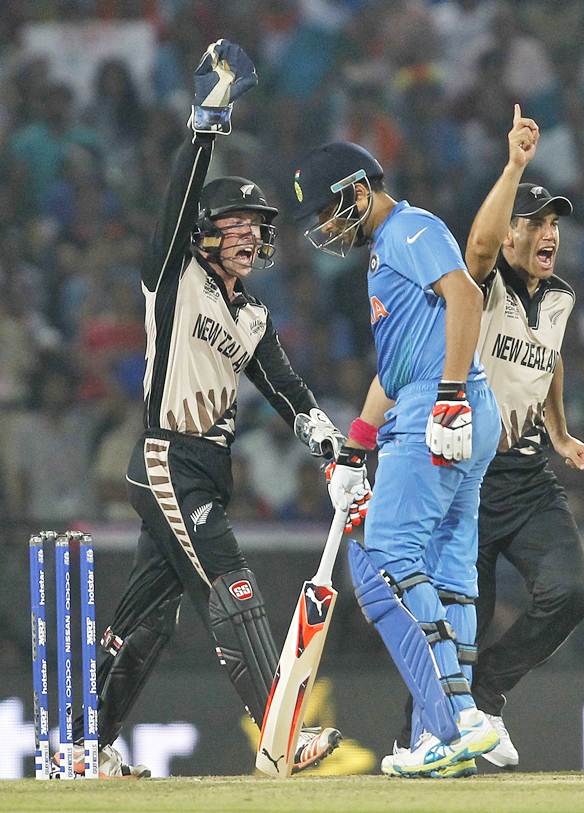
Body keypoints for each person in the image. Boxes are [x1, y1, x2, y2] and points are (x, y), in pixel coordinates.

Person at [59, 39, 343, 779]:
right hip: (165, 457)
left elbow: (288, 390)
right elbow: (177, 201)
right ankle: (279, 733)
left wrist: (328, 443)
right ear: (207, 232)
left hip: (204, 471)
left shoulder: (249, 315)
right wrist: (205, 124)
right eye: (239, 221)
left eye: (259, 224)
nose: (253, 233)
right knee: (231, 579)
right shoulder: (173, 276)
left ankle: (79, 743)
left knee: (147, 618)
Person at [291, 140, 501, 778]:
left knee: (382, 558)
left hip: (437, 412)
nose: (327, 230)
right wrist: (357, 444)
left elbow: (468, 297)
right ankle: (448, 738)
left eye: (330, 212)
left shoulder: (409, 229)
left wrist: (446, 397)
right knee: (447, 571)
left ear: (360, 191)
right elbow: (394, 365)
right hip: (452, 409)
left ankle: (457, 721)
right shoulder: (386, 251)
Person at [397, 105, 584, 768]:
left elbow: (552, 355)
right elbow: (476, 247)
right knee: (450, 621)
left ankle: (485, 692)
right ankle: (418, 735)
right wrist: (514, 166)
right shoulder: (482, 285)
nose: (548, 233)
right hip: (468, 478)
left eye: (554, 222)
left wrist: (561, 432)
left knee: (570, 593)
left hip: (530, 478)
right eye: (535, 221)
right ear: (511, 233)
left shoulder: (559, 297)